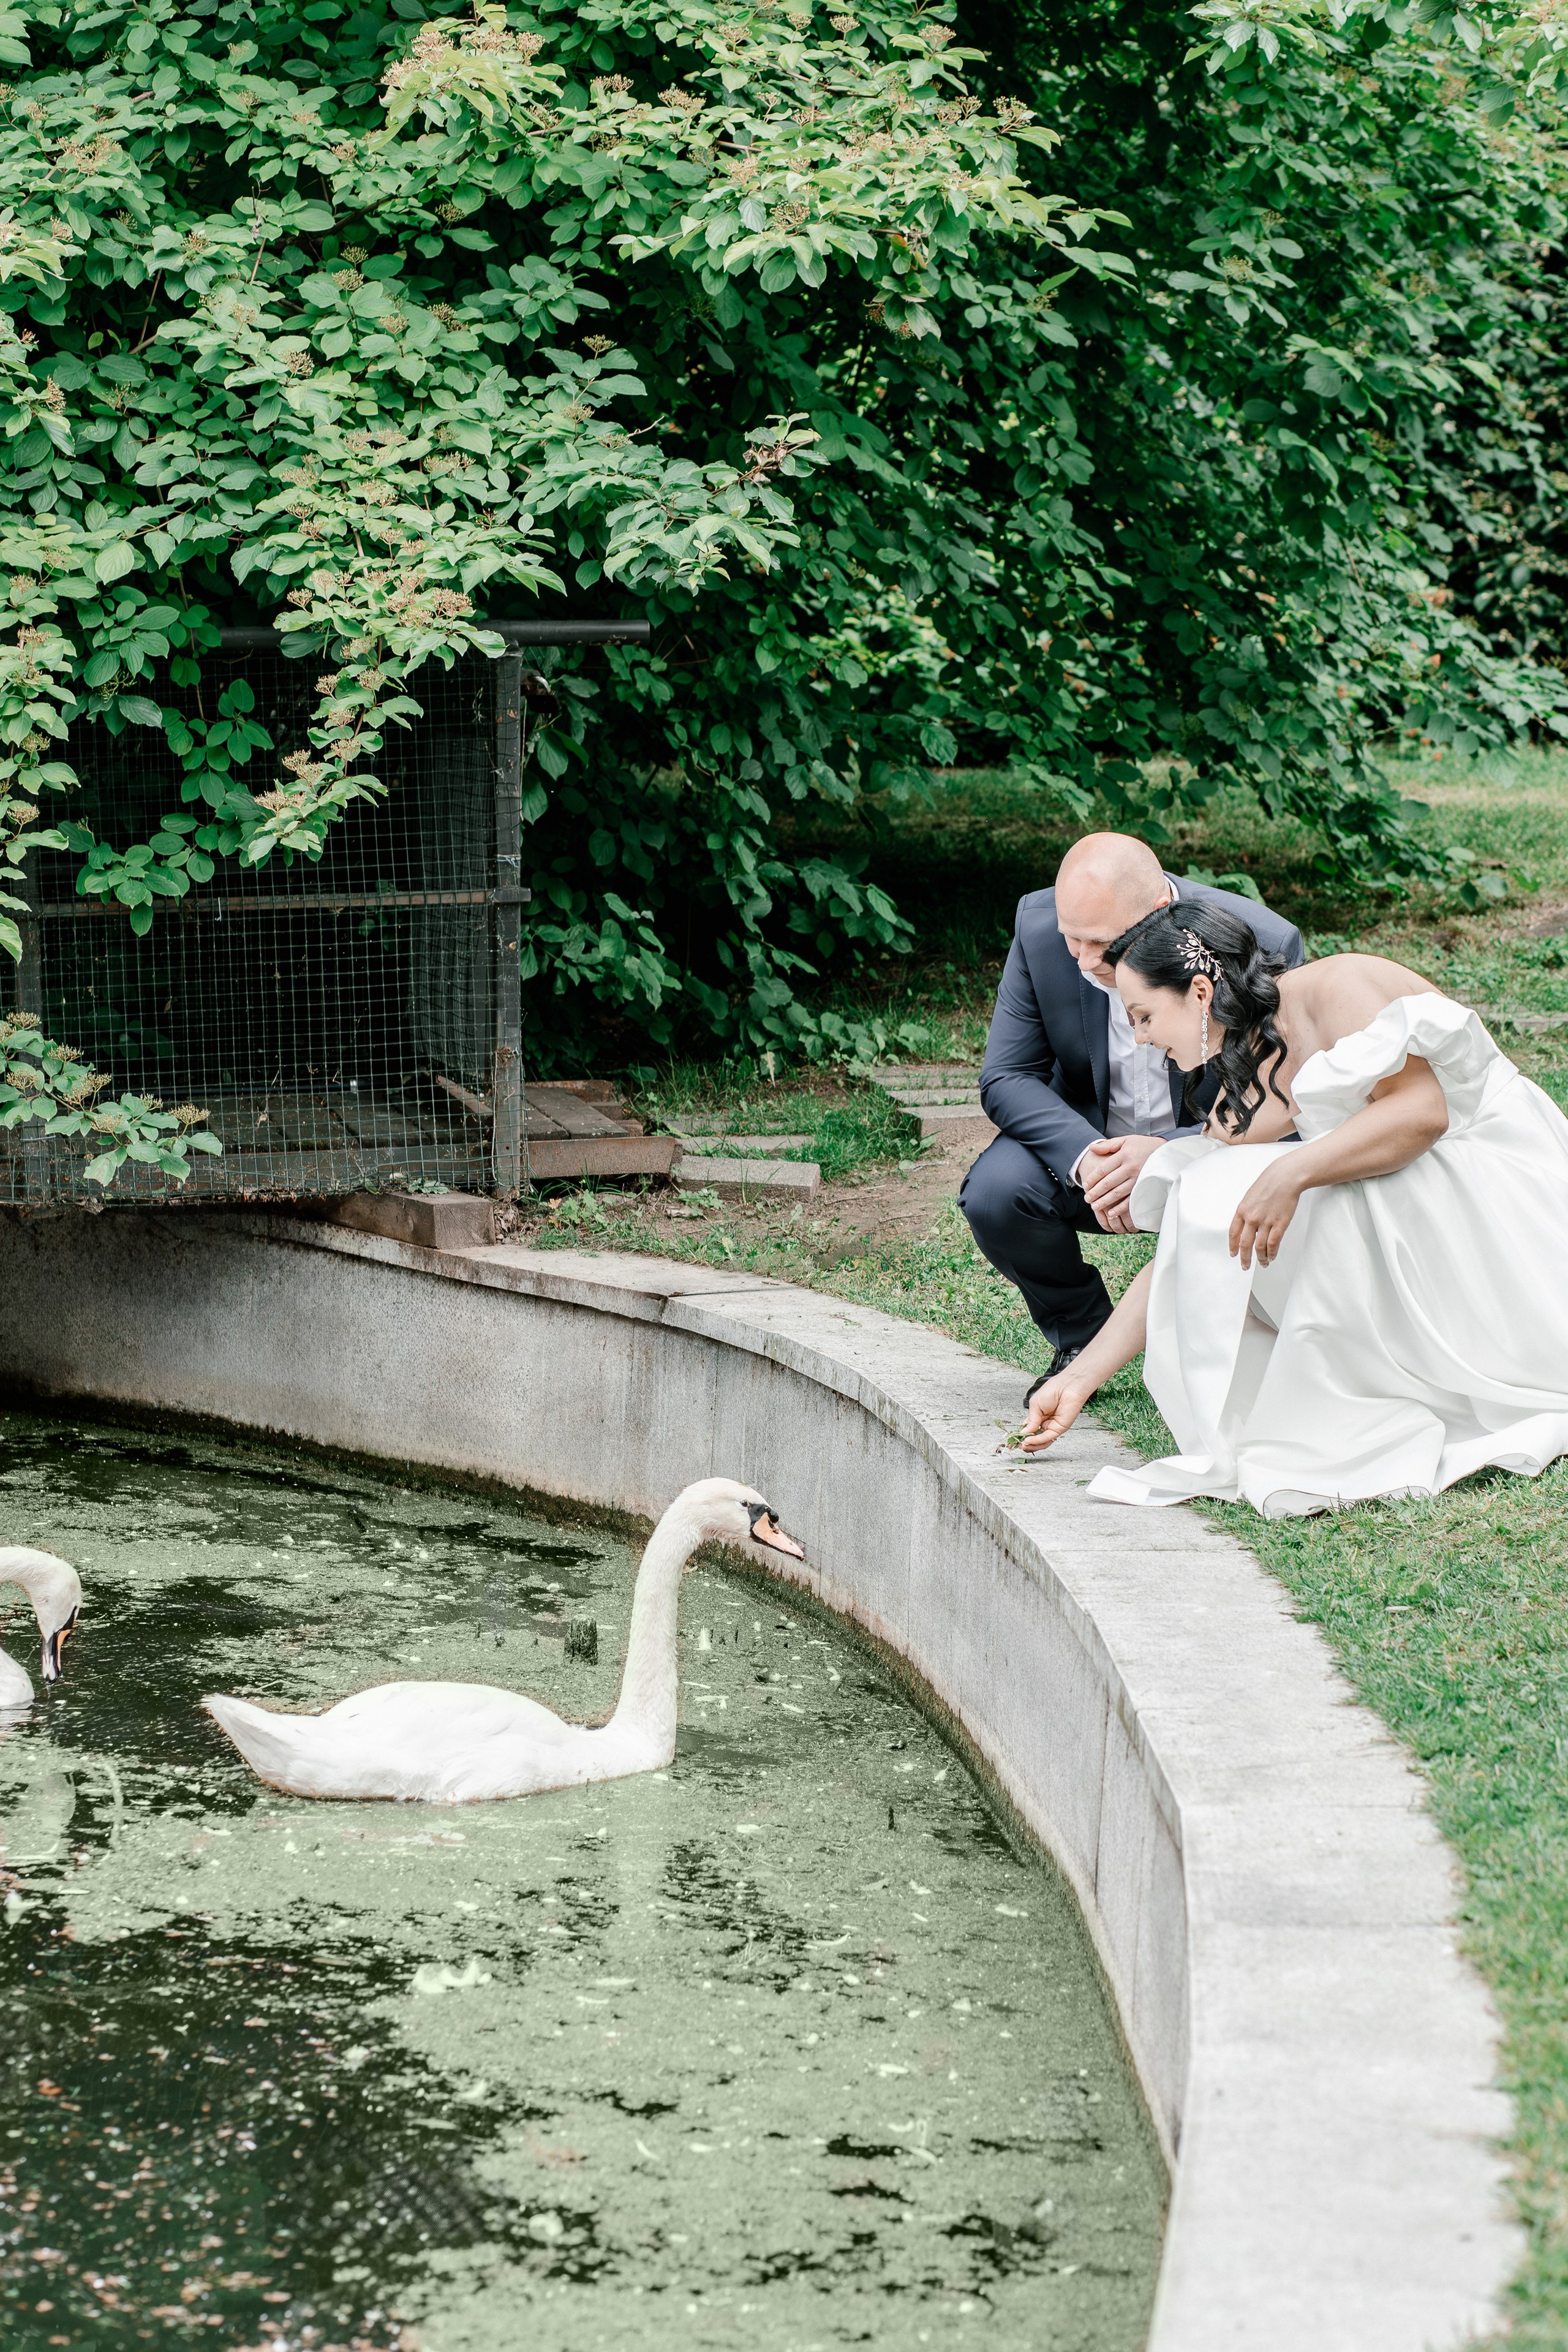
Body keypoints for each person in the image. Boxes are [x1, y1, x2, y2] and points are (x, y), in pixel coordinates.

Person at [1017, 900, 1568, 1518]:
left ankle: (1458, 1359)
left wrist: (1290, 1172)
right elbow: (1195, 1239)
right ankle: (1377, 1374)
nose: (1142, 1040)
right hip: (1413, 1194)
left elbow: (1421, 1113)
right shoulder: (1246, 1082)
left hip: (1489, 1178)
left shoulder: (1339, 987)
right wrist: (1078, 1378)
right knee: (1216, 1184)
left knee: (1320, 1192)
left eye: (1143, 1017)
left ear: (1200, 991)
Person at [960, 834, 1303, 1403]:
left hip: (1217, 1145)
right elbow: (1006, 1075)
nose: (1086, 961)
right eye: (1073, 940)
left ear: (1159, 914)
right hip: (1088, 1151)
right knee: (995, 1194)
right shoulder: (1040, 927)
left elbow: (1284, 1099)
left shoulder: (1260, 940)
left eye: (1102, 944)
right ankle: (1083, 1336)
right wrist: (1088, 1158)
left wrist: (1171, 1149)